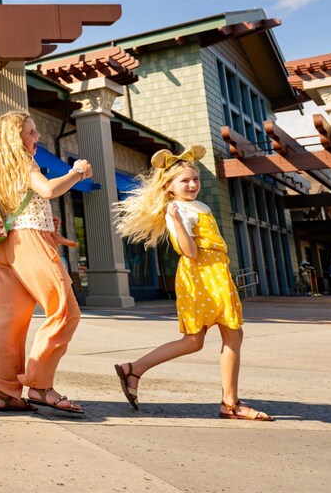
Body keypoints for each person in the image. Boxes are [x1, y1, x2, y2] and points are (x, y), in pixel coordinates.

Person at [112, 145, 273, 421]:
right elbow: (189, 251)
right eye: (184, 180)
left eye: (195, 179)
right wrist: (174, 218)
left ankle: (134, 369)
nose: (192, 184)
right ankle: (229, 403)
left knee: (202, 339)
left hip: (215, 272)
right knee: (222, 335)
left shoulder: (201, 206)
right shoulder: (177, 211)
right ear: (169, 186)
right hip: (201, 274)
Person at [0, 112, 92, 414]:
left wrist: (49, 226)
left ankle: (4, 391)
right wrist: (77, 172)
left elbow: (21, 208)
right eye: (32, 133)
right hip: (30, 243)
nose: (37, 138)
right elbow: (48, 190)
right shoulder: (24, 161)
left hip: (7, 246)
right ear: (16, 138)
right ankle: (40, 384)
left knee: (7, 318)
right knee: (64, 309)